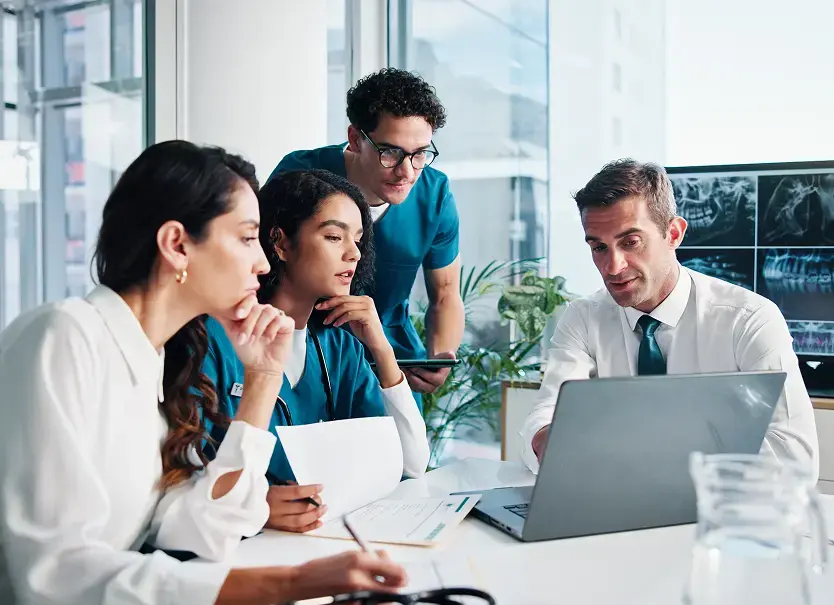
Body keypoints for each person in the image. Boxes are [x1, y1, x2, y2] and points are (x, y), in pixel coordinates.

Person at [0, 141, 407, 605]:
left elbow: (204, 527)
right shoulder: (64, 337)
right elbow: (54, 574)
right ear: (177, 245)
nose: (261, 261)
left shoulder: (154, 362)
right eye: (247, 237)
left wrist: (261, 382)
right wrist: (289, 584)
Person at [521, 159, 818, 478]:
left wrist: (659, 456)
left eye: (630, 242)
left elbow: (795, 457)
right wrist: (546, 439)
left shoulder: (749, 319)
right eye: (599, 248)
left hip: (714, 511)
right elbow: (544, 420)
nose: (613, 266)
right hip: (614, 504)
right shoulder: (583, 318)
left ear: (673, 233)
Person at [203, 169, 431, 533]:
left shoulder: (340, 346)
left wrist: (382, 349)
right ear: (279, 242)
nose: (353, 253)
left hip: (327, 539)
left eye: (357, 239)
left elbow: (411, 463)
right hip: (241, 548)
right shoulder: (216, 340)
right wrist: (256, 506)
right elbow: (184, 478)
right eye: (333, 236)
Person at [267, 68, 465, 409]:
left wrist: (441, 355)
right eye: (391, 153)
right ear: (356, 139)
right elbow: (259, 267)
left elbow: (446, 293)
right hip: (309, 347)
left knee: (404, 457)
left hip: (390, 352)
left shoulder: (434, 194)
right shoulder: (301, 176)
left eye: (420, 154)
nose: (407, 172)